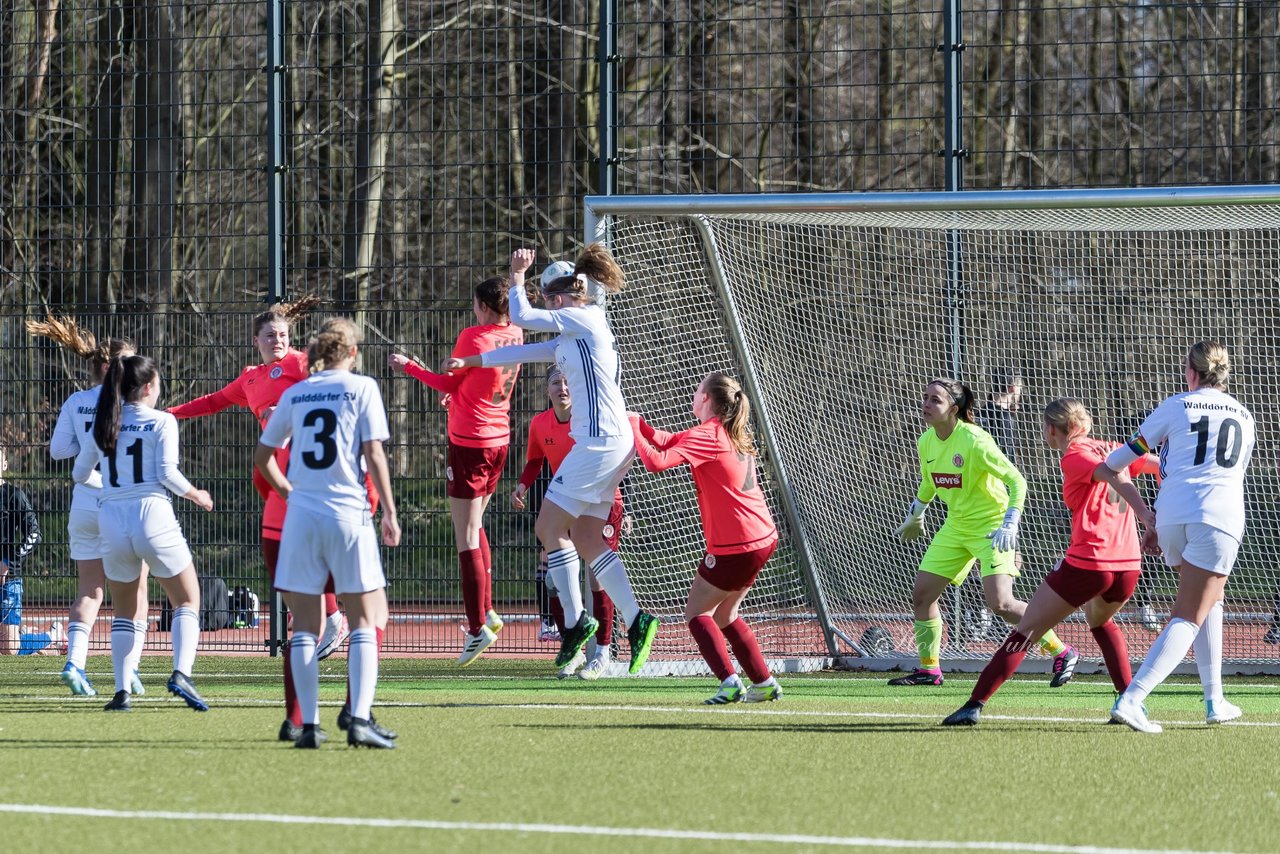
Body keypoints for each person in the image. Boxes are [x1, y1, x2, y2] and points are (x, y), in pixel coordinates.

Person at [447, 245, 659, 675]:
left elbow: (522, 318)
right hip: (610, 444)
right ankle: (638, 621)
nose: (542, 305)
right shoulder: (574, 334)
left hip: (599, 443)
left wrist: (517, 272)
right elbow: (523, 353)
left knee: (547, 527)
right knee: (585, 535)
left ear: (556, 297)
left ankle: (578, 622)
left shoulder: (584, 318)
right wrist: (472, 360)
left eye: (544, 298)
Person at [167, 298, 351, 739]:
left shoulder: (306, 365)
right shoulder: (250, 378)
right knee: (289, 548)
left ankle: (332, 618)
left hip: (306, 470)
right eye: (271, 336)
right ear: (256, 342)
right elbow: (213, 402)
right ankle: (323, 618)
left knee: (309, 545)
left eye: (284, 335)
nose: (279, 341)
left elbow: (332, 388)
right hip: (272, 471)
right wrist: (169, 414)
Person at [942, 398, 1160, 725]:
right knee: (1100, 622)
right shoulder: (1113, 446)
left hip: (1091, 562)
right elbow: (1156, 465)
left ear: (1052, 429)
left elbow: (1108, 472)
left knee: (1027, 628)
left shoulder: (1075, 454)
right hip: (1128, 566)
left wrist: (1146, 515)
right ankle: (1127, 700)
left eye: (1045, 428)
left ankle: (974, 703)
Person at [256, 318, 400, 749]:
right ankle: (358, 719)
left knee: (303, 625)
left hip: (300, 519)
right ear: (352, 353)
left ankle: (309, 727)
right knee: (366, 619)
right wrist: (390, 511)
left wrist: (289, 493)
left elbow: (263, 456)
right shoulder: (362, 388)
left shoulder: (296, 392)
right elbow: (373, 453)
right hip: (347, 515)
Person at [1105, 341, 1254, 733]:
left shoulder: (1177, 405)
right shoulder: (1244, 414)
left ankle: (1214, 699)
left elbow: (1119, 461)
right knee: (1189, 613)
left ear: (1191, 372)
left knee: (1210, 601)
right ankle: (1133, 698)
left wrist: (1138, 505)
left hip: (1171, 517)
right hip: (1218, 518)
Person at [892, 377, 1077, 686]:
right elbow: (930, 481)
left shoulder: (975, 440)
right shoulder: (926, 440)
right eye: (925, 397)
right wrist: (917, 512)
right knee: (922, 596)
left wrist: (1010, 522)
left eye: (934, 400)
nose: (925, 403)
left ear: (954, 409)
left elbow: (1018, 481)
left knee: (1001, 604)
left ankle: (1062, 652)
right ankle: (929, 669)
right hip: (956, 527)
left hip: (992, 527)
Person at [388, 276, 522, 667]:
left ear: (482, 306)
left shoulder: (473, 336)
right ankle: (490, 611)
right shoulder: (515, 331)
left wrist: (409, 366)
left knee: (465, 536)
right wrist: (458, 393)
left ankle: (477, 627)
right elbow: (473, 381)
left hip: (470, 442)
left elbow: (447, 378)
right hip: (500, 438)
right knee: (476, 524)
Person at [630, 372, 783, 704]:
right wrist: (641, 425)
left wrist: (630, 431)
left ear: (707, 400)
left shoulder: (708, 434)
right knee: (725, 614)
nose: (694, 394)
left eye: (698, 390)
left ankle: (730, 683)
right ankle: (765, 682)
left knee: (697, 614)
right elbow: (669, 440)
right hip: (762, 538)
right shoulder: (727, 431)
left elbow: (656, 462)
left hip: (737, 543)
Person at [72, 354, 213, 713]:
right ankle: (182, 673)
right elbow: (167, 474)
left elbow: (79, 473)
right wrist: (195, 493)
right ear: (149, 387)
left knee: (123, 610)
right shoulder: (163, 421)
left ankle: (121, 692)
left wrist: (109, 491)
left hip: (112, 518)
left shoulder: (104, 425)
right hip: (152, 513)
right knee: (187, 598)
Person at [28, 317, 146, 692]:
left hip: (84, 505)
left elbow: (58, 450)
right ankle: (128, 671)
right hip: (123, 503)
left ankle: (75, 664)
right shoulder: (132, 403)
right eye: (129, 362)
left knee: (89, 590)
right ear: (112, 367)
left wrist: (88, 452)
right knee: (136, 589)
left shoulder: (76, 401)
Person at [512, 366, 622, 680]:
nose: (562, 387)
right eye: (555, 382)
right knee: (553, 579)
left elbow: (616, 454)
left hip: (601, 502)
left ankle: (601, 653)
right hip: (567, 503)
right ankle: (573, 647)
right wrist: (521, 486)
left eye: (567, 381)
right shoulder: (539, 424)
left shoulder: (591, 419)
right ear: (547, 391)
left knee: (596, 578)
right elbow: (535, 460)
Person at [0, 445, 60, 656]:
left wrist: (8, 563)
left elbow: (34, 534)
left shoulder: (13, 495)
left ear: (4, 465)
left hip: (7, 581)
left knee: (8, 649)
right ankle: (30, 643)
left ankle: (51, 636)